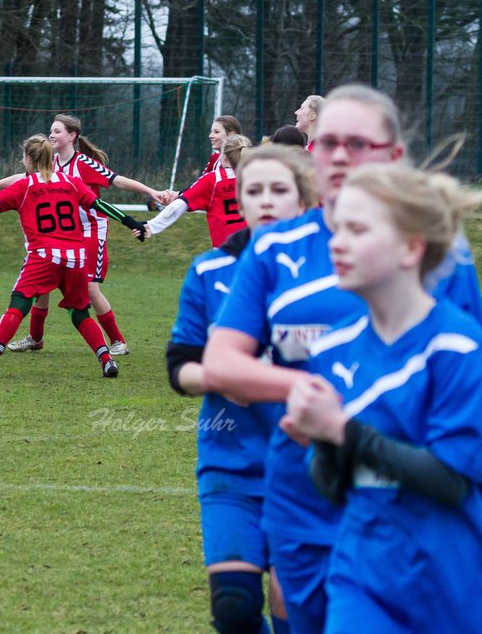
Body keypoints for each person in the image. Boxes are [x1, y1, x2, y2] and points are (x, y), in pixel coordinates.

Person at [202, 84, 482, 634]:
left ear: (393, 157)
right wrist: (310, 400)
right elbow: (222, 364)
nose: (337, 155)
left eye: (358, 143)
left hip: (416, 499)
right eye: (327, 141)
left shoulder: (444, 255)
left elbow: (459, 373)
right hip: (307, 483)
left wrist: (347, 424)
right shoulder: (274, 246)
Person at [282, 163, 482, 631]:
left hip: (450, 583)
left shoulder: (458, 348)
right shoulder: (331, 347)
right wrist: (320, 441)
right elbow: (332, 487)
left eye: (357, 229)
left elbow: (451, 481)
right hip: (363, 576)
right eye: (336, 228)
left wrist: (339, 429)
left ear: (411, 247)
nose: (336, 242)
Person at [165, 144, 313, 634]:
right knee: (233, 606)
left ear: (304, 198)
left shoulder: (330, 273)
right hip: (231, 464)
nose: (265, 200)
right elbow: (179, 365)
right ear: (239, 199)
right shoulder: (210, 271)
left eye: (279, 189)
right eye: (254, 190)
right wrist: (220, 375)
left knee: (301, 613)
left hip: (311, 468)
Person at [0, 113, 168, 357]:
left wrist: (153, 191)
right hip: (63, 233)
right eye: (51, 131)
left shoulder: (84, 163)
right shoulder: (50, 161)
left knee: (89, 288)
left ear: (72, 136)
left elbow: (116, 180)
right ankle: (35, 337)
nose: (51, 135)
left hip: (90, 231)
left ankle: (118, 341)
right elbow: (23, 178)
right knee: (42, 285)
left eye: (57, 131)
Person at [142, 135, 253, 248]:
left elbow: (178, 205)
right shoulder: (258, 178)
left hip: (225, 253)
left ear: (224, 157)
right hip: (256, 251)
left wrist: (151, 226)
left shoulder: (213, 180)